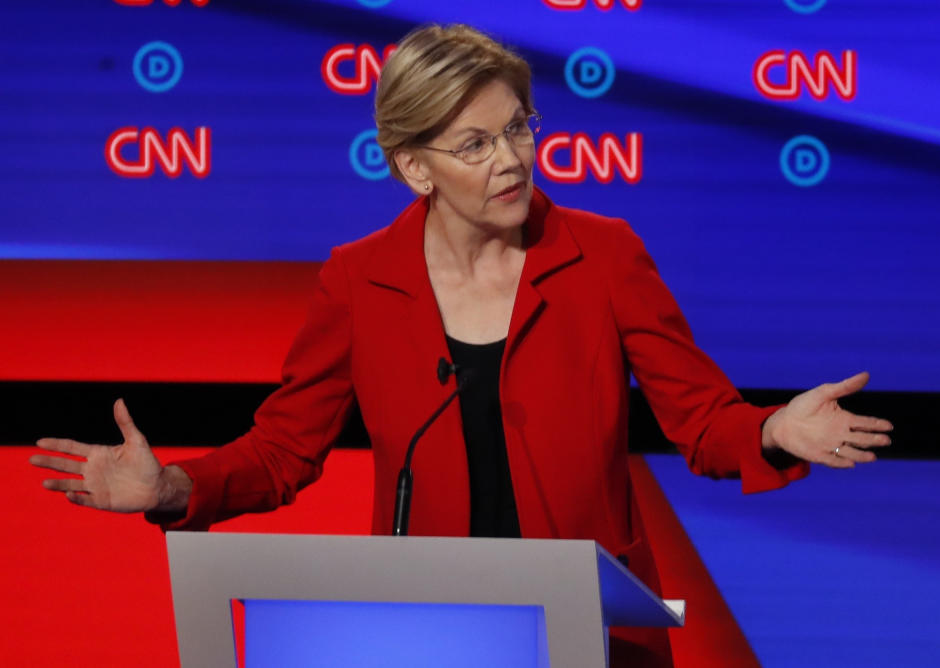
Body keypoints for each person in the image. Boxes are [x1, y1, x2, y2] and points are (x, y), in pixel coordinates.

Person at [30, 24, 893, 666]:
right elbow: (285, 450)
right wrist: (174, 486)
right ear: (413, 167)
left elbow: (699, 418)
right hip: (432, 628)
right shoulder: (359, 280)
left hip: (594, 630)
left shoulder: (605, 254)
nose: (512, 160)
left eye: (519, 128)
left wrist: (773, 430)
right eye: (475, 144)